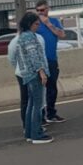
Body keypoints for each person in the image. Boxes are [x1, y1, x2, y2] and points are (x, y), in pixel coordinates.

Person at [12, 12, 53, 144]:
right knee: (38, 104)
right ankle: (37, 134)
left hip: (27, 74)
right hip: (35, 74)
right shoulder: (30, 37)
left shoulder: (21, 37)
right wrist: (41, 71)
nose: (38, 26)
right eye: (36, 24)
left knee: (31, 103)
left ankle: (30, 132)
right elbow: (34, 55)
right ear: (30, 24)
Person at [7, 27, 47, 135]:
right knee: (33, 101)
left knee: (32, 101)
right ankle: (33, 129)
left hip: (26, 72)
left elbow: (42, 55)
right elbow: (13, 57)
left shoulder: (36, 37)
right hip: (30, 73)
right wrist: (40, 71)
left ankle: (31, 127)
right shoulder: (23, 39)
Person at [34, 0, 66, 124]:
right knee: (40, 89)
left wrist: (48, 25)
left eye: (42, 10)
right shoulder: (35, 24)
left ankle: (51, 113)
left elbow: (62, 34)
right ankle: (41, 116)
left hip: (52, 59)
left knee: (52, 88)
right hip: (39, 60)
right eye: (38, 11)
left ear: (47, 9)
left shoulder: (54, 21)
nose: (40, 13)